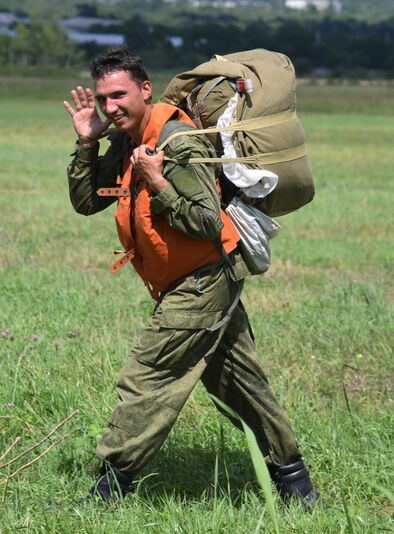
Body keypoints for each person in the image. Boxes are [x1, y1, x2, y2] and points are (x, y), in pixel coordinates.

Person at [64, 46, 320, 509]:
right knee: (241, 384)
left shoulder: (177, 142)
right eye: (103, 99)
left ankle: (104, 494)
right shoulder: (128, 138)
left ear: (145, 89)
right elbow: (87, 200)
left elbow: (207, 222)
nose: (111, 106)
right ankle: (298, 490)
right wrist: (87, 142)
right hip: (189, 278)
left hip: (204, 279)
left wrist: (158, 182)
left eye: (119, 95)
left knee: (149, 375)